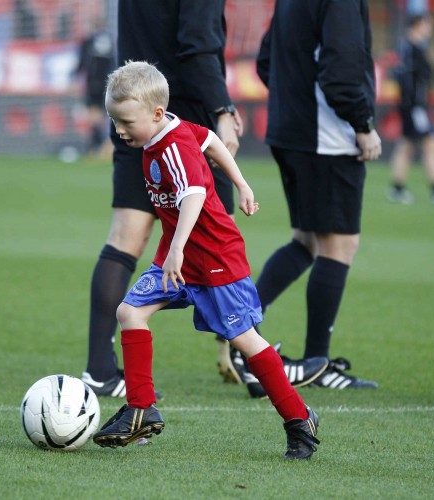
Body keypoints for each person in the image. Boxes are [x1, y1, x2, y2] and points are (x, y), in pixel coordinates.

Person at [81, 0, 327, 399]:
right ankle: (253, 361)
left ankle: (99, 369)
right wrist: (222, 107)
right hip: (177, 115)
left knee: (124, 239)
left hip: (130, 112)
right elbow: (197, 44)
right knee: (212, 244)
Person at [92, 61, 320, 460]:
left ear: (156, 113)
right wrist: (242, 183)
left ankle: (299, 419)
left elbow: (194, 193)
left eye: (126, 121)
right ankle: (141, 410)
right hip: (178, 256)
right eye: (115, 121)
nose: (119, 131)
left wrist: (178, 247)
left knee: (244, 341)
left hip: (214, 257)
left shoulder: (172, 146)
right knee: (130, 312)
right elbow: (211, 138)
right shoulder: (167, 130)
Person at [244, 0, 382, 392]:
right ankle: (316, 365)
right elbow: (340, 71)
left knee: (306, 240)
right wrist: (362, 123)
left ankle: (239, 330)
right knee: (339, 245)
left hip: (290, 130)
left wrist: (295, 102)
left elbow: (266, 60)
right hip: (327, 139)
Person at [387, 13, 434, 207]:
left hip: (415, 106)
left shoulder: (410, 48)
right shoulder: (410, 49)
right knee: (431, 143)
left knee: (407, 145)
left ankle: (397, 188)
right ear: (418, 25)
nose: (430, 30)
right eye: (428, 25)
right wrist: (414, 105)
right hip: (415, 107)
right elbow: (407, 81)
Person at [75, 19, 115, 157]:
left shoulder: (89, 41)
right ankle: (103, 145)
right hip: (108, 82)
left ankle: (98, 145)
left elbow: (82, 62)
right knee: (104, 115)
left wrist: (76, 76)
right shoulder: (110, 41)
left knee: (94, 115)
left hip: (93, 83)